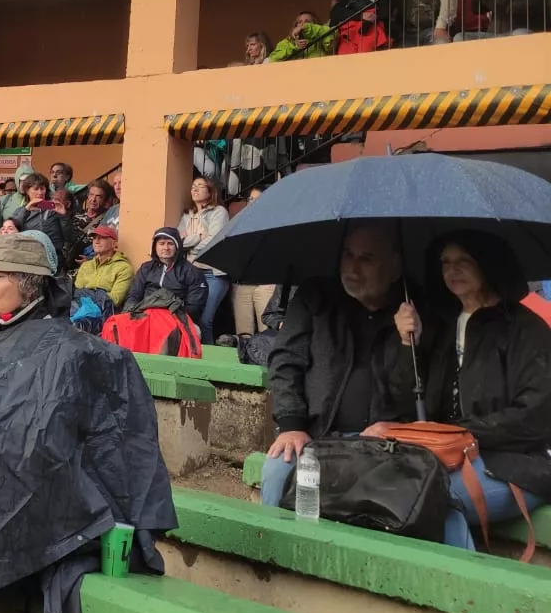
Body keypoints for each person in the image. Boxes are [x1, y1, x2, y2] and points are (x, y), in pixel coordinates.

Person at [259, 223, 420, 508]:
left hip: (385, 444)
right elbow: (285, 361)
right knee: (277, 470)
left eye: (367, 259)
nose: (353, 269)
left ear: (395, 268)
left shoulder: (414, 310)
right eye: (348, 255)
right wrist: (292, 425)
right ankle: (273, 540)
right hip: (316, 436)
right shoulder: (316, 296)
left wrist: (409, 345)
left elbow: (415, 394)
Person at [410, 231, 550, 549]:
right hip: (452, 460)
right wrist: (411, 345)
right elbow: (420, 403)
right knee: (407, 490)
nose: (453, 270)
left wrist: (463, 434)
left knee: (433, 498)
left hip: (520, 465)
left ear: (489, 264)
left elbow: (536, 416)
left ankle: (454, 580)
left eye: (465, 261)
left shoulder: (526, 330)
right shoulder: (446, 328)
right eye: (446, 262)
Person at [179, 177, 229, 342]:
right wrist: (199, 237)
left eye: (200, 186)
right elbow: (177, 241)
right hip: (192, 273)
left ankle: (209, 355)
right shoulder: (187, 215)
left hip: (213, 274)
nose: (195, 189)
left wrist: (189, 245)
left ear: (210, 191)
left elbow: (214, 241)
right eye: (193, 186)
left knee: (205, 320)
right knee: (191, 318)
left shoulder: (219, 212)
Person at [125, 227, 208, 320]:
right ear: (154, 246)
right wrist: (129, 315)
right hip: (144, 315)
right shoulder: (146, 268)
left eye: (170, 244)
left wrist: (168, 317)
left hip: (174, 318)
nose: (166, 248)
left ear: (177, 247)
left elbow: (194, 307)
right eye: (161, 243)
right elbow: (134, 295)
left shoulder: (192, 272)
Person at [5, 172, 69, 261]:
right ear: (27, 191)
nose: (40, 192)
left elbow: (69, 236)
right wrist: (26, 210)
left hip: (53, 257)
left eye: (42, 188)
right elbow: (12, 231)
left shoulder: (54, 209)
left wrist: (64, 216)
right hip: (28, 256)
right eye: (36, 189)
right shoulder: (20, 211)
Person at [73, 224, 133, 310]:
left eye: (102, 238)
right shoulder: (86, 265)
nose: (96, 241)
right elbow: (76, 293)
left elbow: (115, 300)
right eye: (94, 238)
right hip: (79, 308)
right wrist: (101, 295)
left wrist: (86, 293)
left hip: (103, 313)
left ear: (113, 243)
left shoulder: (123, 268)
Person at [267, 11, 336, 61]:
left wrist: (305, 28)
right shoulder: (288, 42)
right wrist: (294, 46)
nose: (303, 24)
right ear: (295, 25)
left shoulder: (321, 38)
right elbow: (273, 59)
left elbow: (331, 33)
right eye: (300, 22)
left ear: (315, 24)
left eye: (307, 21)